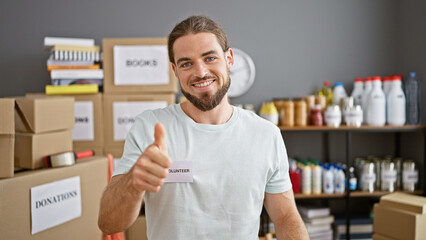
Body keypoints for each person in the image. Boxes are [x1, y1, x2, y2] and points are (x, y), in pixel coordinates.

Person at [98, 15, 309, 240]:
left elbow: (286, 216)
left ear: (229, 59)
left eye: (209, 58)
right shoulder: (149, 127)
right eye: (186, 63)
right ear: (175, 70)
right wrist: (133, 182)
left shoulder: (266, 135)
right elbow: (109, 223)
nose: (200, 72)